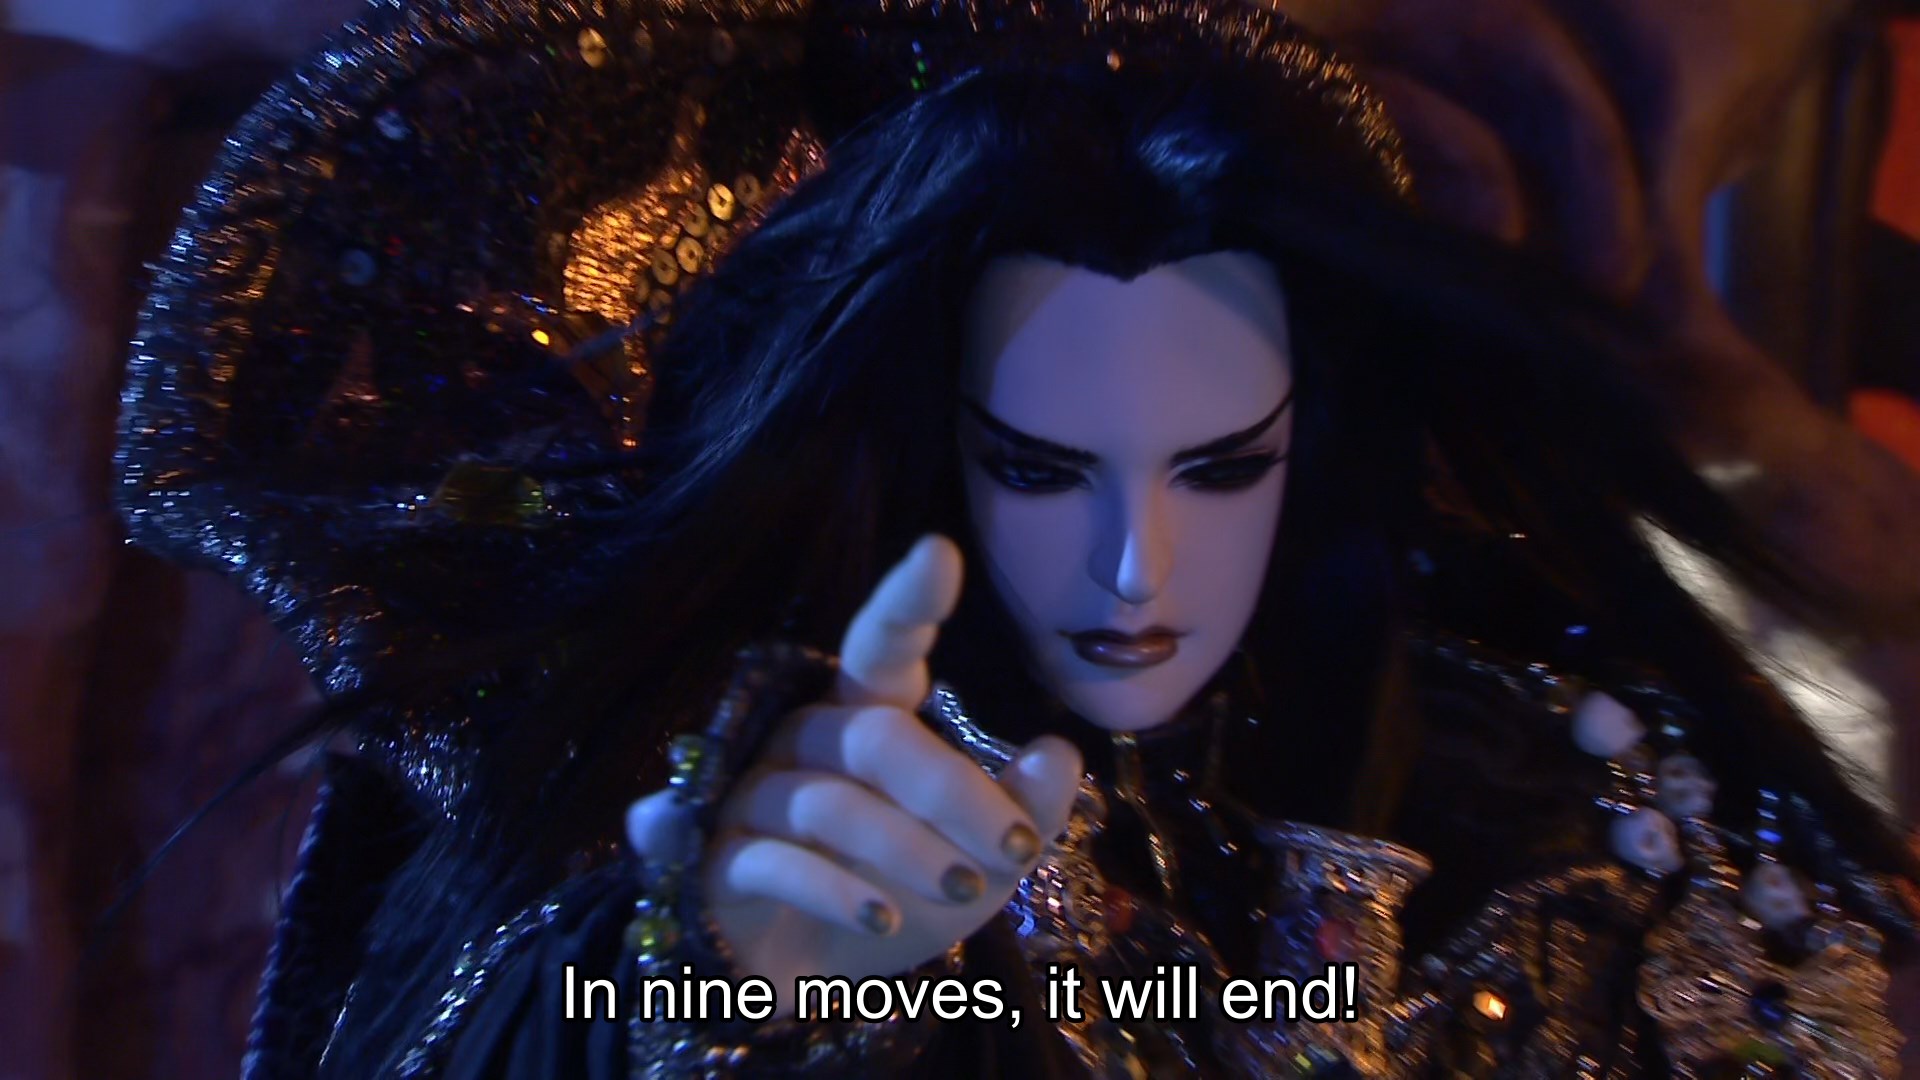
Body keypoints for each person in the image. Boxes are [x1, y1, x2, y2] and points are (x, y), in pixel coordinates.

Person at [114, 0, 1919, 1075]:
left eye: (1222, 471)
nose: (1137, 571)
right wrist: (717, 976)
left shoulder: (1556, 783)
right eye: (1044, 471)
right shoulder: (740, 761)